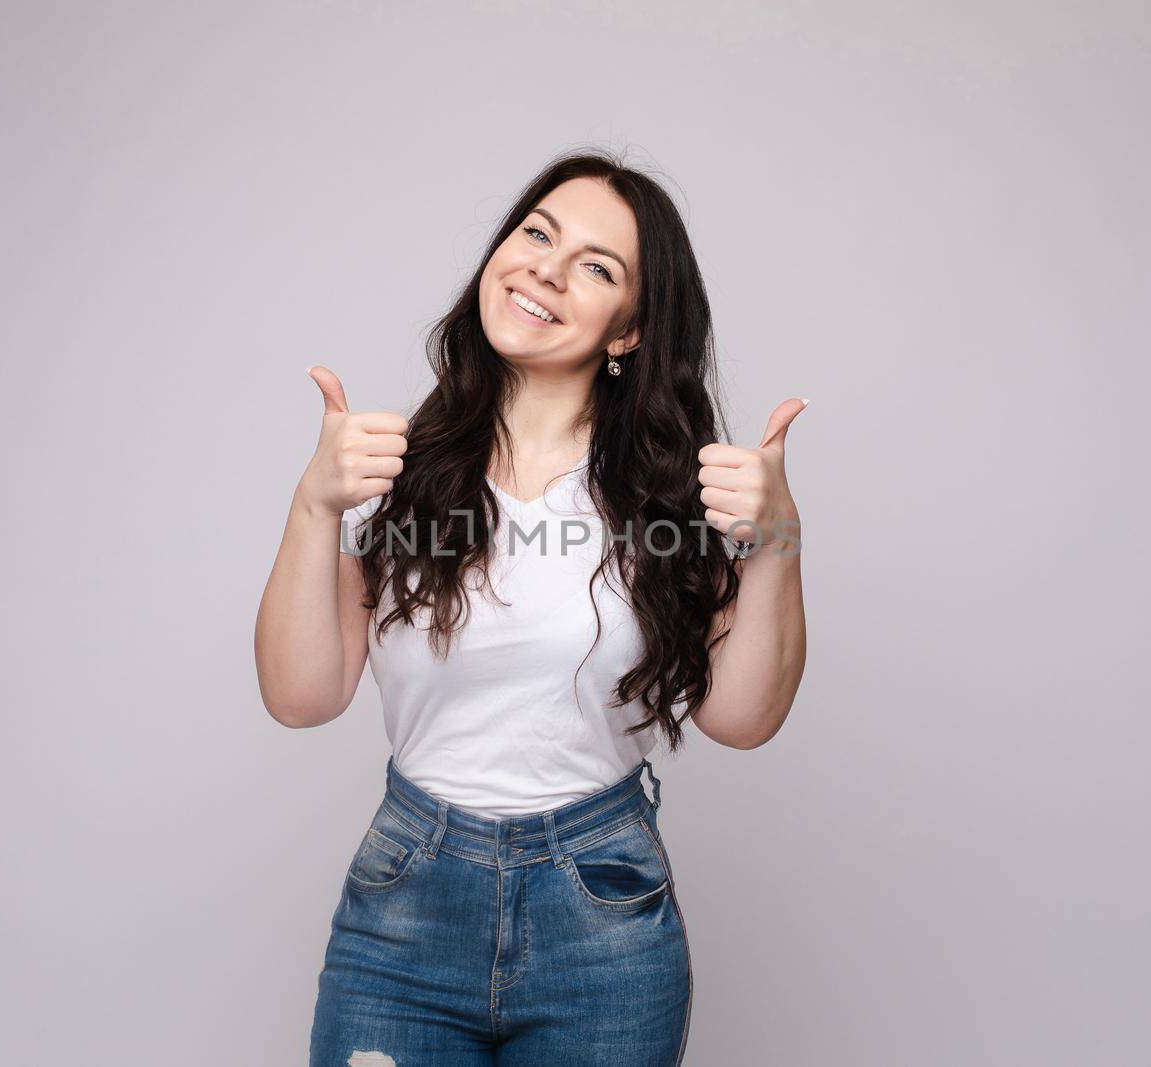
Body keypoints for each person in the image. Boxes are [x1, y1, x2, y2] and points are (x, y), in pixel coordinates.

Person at [254, 149, 808, 1065]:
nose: (547, 267)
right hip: (404, 906)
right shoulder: (391, 469)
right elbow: (300, 696)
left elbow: (743, 719)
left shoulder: (671, 497)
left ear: (627, 331)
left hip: (600, 913)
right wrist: (313, 503)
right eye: (537, 233)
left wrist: (779, 540)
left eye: (597, 265)